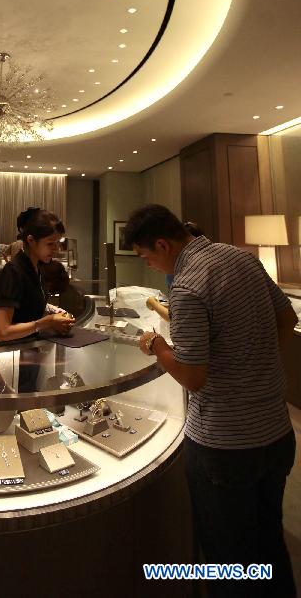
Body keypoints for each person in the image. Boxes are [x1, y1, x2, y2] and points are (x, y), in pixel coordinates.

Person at [123, 204, 297, 596]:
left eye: (147, 256)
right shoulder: (241, 257)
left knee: (227, 558)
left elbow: (192, 376)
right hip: (277, 431)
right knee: (269, 541)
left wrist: (156, 345)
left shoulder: (185, 287)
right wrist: (255, 363)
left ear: (163, 244)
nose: (149, 264)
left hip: (226, 445)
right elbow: (286, 320)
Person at [0, 208, 74, 343]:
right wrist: (47, 323)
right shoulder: (14, 271)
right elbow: (3, 332)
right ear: (31, 240)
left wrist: (56, 322)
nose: (55, 248)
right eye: (50, 243)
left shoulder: (36, 267)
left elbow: (27, 310)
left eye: (57, 243)